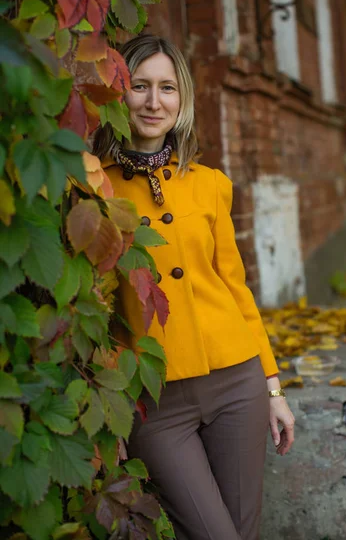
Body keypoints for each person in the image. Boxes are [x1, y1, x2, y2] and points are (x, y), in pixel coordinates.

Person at [95, 35, 295, 540]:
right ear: (120, 91)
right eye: (139, 86)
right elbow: (95, 302)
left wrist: (272, 387)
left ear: (181, 99)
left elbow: (235, 288)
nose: (153, 101)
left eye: (166, 88)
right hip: (156, 402)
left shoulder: (210, 184)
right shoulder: (95, 187)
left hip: (237, 384)